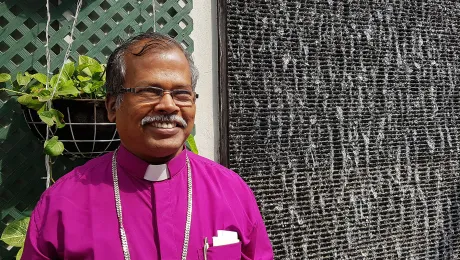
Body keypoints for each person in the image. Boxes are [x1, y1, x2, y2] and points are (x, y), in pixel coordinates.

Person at [22, 32, 273, 260]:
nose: (168, 105)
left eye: (182, 94)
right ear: (112, 107)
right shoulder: (63, 203)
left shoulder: (232, 192)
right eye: (149, 91)